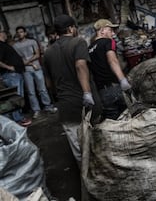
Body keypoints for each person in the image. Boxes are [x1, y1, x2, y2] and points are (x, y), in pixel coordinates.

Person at [43, 15, 102, 163]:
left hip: (66, 107)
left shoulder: (48, 52)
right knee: (98, 145)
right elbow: (80, 65)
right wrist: (87, 93)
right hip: (87, 104)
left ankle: (86, 182)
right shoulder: (78, 42)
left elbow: (48, 84)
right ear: (71, 28)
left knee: (80, 152)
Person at [88, 19, 131, 120]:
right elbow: (112, 61)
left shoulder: (89, 49)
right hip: (114, 88)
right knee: (127, 118)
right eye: (110, 30)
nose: (113, 33)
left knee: (114, 122)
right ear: (102, 30)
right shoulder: (108, 42)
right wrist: (123, 80)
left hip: (102, 93)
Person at [13, 26, 57, 119]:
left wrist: (28, 62)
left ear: (25, 33)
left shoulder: (32, 42)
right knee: (31, 92)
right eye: (18, 32)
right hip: (26, 70)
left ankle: (48, 106)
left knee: (42, 89)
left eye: (21, 32)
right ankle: (36, 110)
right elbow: (18, 59)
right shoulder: (15, 46)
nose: (20, 34)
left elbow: (37, 54)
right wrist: (30, 64)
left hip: (37, 68)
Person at [0, 30, 32, 127]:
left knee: (18, 97)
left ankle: (18, 118)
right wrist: (10, 68)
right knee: (15, 98)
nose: (5, 34)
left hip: (15, 74)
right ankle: (18, 119)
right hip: (11, 75)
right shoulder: (0, 45)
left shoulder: (4, 44)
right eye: (3, 32)